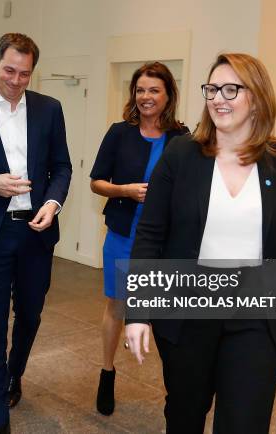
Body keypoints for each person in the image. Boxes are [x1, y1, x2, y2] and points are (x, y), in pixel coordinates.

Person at [125, 53, 276, 433]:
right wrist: (138, 311)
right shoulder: (181, 154)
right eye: (212, 88)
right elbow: (149, 235)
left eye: (232, 88)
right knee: (185, 413)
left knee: (245, 420)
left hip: (259, 315)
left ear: (257, 98)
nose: (218, 98)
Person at [0, 33, 72, 434]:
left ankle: (13, 375)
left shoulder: (49, 109)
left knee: (31, 316)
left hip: (36, 233)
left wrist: (52, 204)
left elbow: (62, 167)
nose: (16, 80)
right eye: (9, 70)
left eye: (25, 73)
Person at [89, 62, 188, 416]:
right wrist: (124, 190)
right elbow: (96, 181)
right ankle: (107, 371)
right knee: (117, 307)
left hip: (166, 244)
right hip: (123, 235)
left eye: (154, 90)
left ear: (168, 95)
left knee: (165, 315)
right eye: (141, 90)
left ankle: (175, 391)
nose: (146, 97)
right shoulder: (119, 133)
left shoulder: (183, 138)